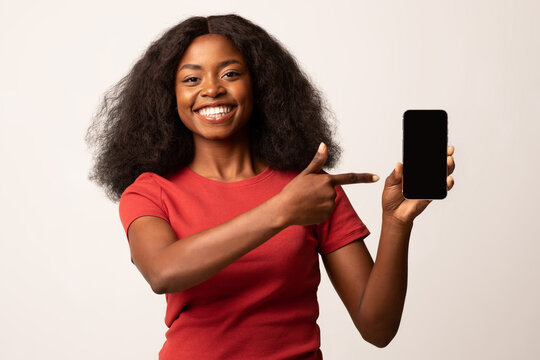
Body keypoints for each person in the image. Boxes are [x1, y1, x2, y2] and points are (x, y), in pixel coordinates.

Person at [85, 14, 455, 359]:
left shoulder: (308, 190)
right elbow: (163, 272)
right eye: (192, 79)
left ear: (259, 85)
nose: (212, 89)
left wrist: (396, 222)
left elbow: (377, 328)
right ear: (169, 96)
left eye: (230, 74)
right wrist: (280, 211)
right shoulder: (151, 192)